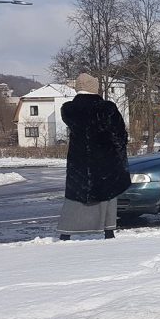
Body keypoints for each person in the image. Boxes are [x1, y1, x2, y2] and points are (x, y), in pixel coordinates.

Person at [58, 73, 131, 240]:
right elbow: (119, 135)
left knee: (75, 198)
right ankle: (108, 231)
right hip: (106, 161)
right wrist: (120, 153)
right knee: (108, 196)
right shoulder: (107, 108)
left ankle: (66, 233)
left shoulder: (68, 110)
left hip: (79, 162)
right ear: (94, 87)